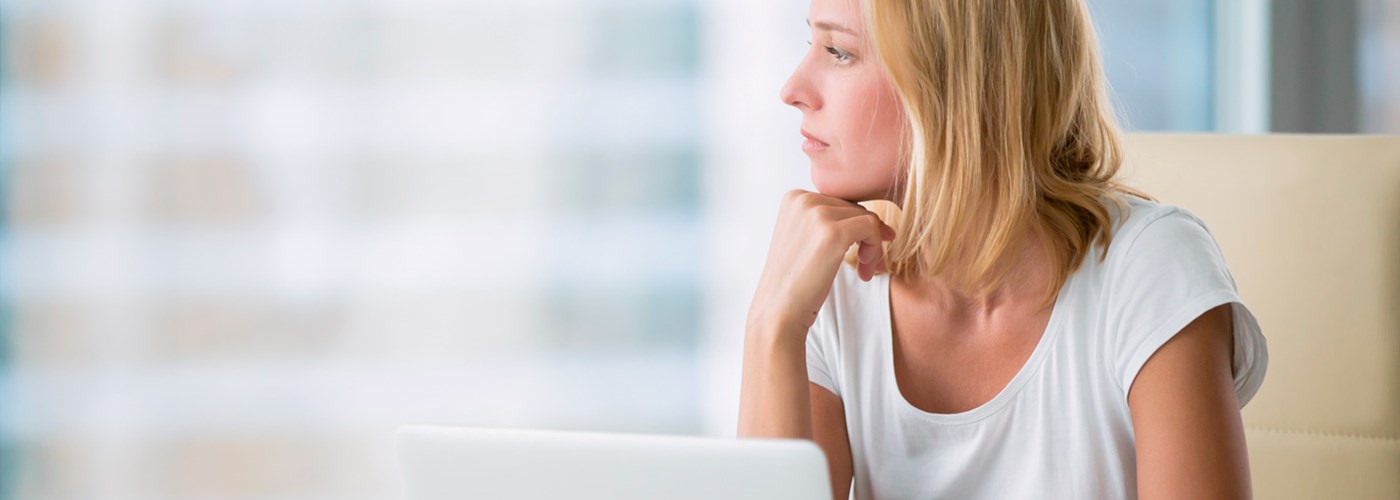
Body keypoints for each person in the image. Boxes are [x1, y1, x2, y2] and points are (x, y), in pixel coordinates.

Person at [735, 0, 1270, 499]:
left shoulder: (1149, 270)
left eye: (838, 52)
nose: (793, 88)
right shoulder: (833, 287)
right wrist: (771, 327)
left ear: (952, 80)